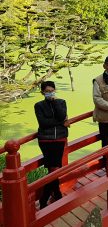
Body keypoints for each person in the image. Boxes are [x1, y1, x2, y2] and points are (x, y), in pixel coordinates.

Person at [34, 81, 69, 209]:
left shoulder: (61, 102)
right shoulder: (38, 105)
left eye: (52, 90)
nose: (50, 93)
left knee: (54, 169)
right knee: (53, 169)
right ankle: (54, 195)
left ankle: (48, 197)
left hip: (59, 139)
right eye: (47, 91)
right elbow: (43, 123)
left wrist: (54, 102)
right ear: (42, 92)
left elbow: (61, 115)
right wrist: (61, 122)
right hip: (45, 140)